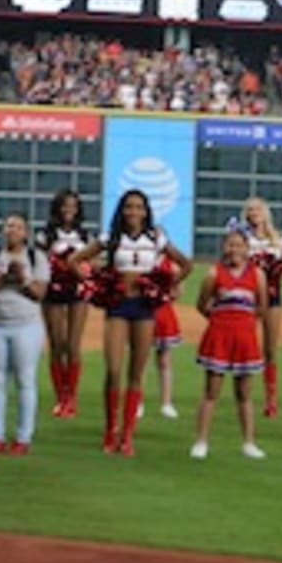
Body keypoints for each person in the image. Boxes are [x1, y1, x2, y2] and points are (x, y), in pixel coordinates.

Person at [70, 189, 192, 455]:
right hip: (118, 306)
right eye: (129, 207)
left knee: (136, 373)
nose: (134, 212)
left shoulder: (156, 238)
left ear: (146, 211)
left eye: (139, 207)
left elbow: (185, 264)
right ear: (122, 210)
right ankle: (109, 430)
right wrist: (93, 286)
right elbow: (75, 260)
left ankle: (127, 435)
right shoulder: (110, 238)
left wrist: (165, 288)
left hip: (144, 308)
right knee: (113, 370)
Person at [0, 213, 50, 454]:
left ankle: (23, 437)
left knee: (25, 380)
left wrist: (22, 279)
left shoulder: (36, 257)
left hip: (26, 324)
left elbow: (39, 293)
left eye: (17, 227)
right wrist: (2, 277)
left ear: (26, 232)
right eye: (8, 226)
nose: (11, 230)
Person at [190, 228, 267, 460]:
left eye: (239, 245)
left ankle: (249, 442)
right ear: (224, 247)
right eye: (230, 244)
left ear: (247, 248)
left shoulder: (257, 274)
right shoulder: (213, 274)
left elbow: (261, 307)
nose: (234, 249)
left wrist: (246, 323)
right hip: (219, 337)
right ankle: (201, 441)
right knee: (211, 391)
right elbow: (202, 305)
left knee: (244, 393)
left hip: (245, 338)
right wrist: (220, 320)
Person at [227, 197, 282, 417]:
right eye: (249, 210)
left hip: (273, 296)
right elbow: (229, 260)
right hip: (247, 297)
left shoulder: (280, 239)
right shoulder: (242, 238)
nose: (253, 213)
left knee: (270, 349)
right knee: (246, 345)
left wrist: (276, 274)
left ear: (265, 212)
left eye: (256, 209)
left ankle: (271, 398)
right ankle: (243, 394)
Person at [37, 189, 91, 419]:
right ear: (57, 208)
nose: (69, 209)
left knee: (73, 345)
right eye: (65, 205)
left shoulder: (84, 235)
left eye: (73, 205)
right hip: (53, 292)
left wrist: (82, 271)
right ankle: (60, 396)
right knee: (57, 344)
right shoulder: (45, 235)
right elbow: (38, 262)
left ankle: (72, 397)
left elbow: (91, 262)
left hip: (77, 291)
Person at [151, 256, 183, 419]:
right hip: (144, 313)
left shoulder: (171, 264)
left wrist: (170, 293)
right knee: (139, 361)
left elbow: (178, 291)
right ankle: (137, 401)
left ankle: (166, 402)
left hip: (164, 313)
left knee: (164, 360)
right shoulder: (142, 257)